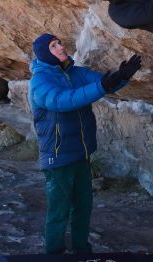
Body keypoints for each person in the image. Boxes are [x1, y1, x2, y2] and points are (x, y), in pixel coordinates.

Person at [29, 33, 142, 254]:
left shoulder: (75, 73)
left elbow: (103, 83)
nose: (61, 47)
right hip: (57, 156)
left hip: (81, 154)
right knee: (58, 211)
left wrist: (122, 76)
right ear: (45, 53)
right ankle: (54, 254)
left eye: (59, 42)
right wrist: (102, 86)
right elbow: (61, 101)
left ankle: (83, 252)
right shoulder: (40, 81)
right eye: (54, 46)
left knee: (83, 207)